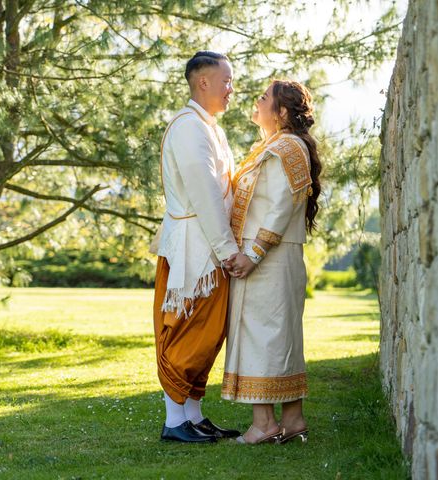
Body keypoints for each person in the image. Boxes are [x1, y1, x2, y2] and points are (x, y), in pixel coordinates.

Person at [152, 51, 250, 443]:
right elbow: (206, 195)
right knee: (187, 332)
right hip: (195, 252)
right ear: (203, 82)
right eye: (226, 80)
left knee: (207, 335)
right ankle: (174, 422)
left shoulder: (209, 127)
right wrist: (228, 252)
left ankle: (192, 415)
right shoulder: (188, 127)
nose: (231, 88)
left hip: (209, 248)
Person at [221, 80, 322, 445]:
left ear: (281, 112)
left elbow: (281, 206)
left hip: (269, 256)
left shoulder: (287, 146)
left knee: (263, 337)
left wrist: (252, 254)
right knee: (278, 336)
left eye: (264, 97)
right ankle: (292, 420)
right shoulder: (273, 146)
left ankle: (264, 424)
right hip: (272, 255)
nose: (257, 100)